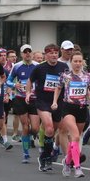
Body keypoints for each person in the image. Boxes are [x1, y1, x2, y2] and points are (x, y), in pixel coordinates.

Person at [51, 49, 90, 178]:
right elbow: (58, 88)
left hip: (82, 109)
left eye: (79, 61)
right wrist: (55, 101)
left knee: (75, 139)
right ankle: (77, 167)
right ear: (71, 63)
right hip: (68, 108)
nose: (77, 63)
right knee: (75, 136)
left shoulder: (87, 77)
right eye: (75, 61)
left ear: (82, 62)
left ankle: (67, 162)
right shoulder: (65, 76)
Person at [28, 43, 69, 172]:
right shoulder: (40, 68)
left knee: (52, 132)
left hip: (58, 102)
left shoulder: (63, 67)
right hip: (43, 102)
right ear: (46, 55)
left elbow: (66, 83)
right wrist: (28, 93)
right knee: (49, 128)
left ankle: (44, 154)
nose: (54, 55)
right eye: (51, 53)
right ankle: (46, 158)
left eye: (56, 53)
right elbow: (30, 81)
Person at [6, 44, 37, 163]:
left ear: (32, 53)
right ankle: (26, 153)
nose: (27, 54)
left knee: (34, 128)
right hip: (20, 98)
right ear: (22, 54)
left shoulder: (37, 66)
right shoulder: (17, 66)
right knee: (25, 125)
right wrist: (15, 85)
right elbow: (8, 81)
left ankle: (28, 137)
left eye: (29, 51)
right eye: (25, 52)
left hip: (34, 98)